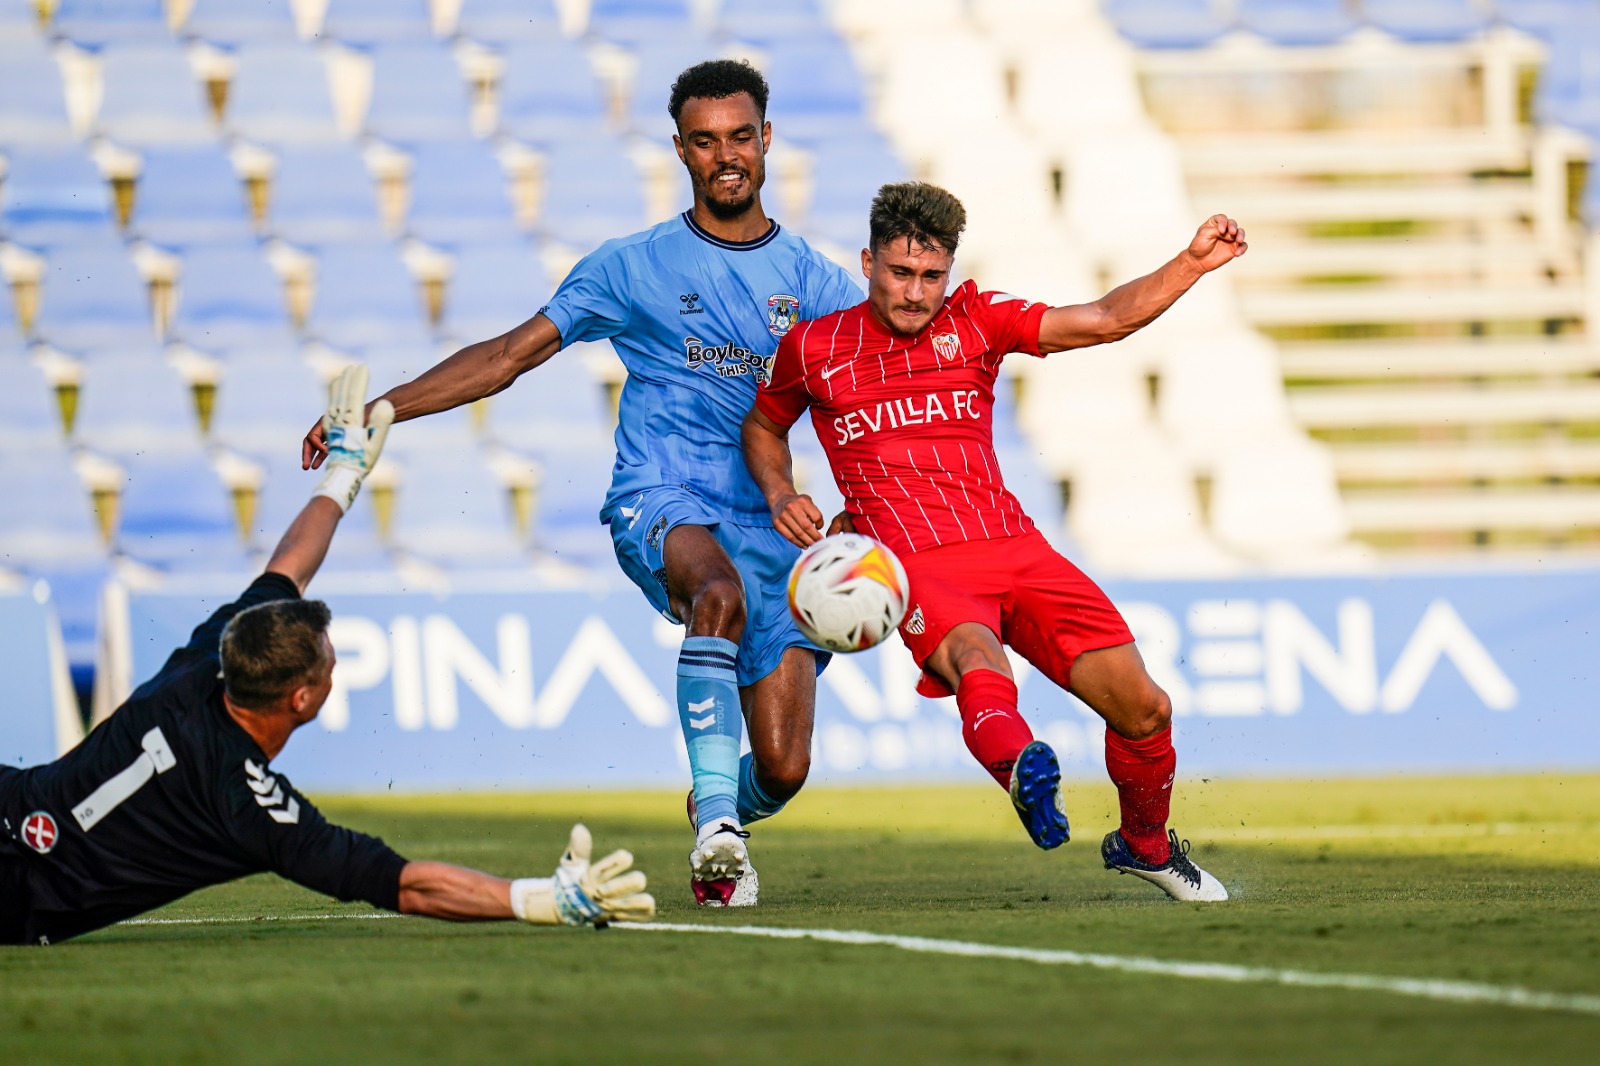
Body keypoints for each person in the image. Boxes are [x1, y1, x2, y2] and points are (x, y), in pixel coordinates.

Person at [301, 61, 863, 907]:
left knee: (784, 767)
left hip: (770, 527)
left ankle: (724, 805)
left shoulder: (818, 286)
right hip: (661, 496)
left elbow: (875, 397)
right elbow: (506, 357)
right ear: (679, 150)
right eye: (705, 142)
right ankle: (717, 831)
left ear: (767, 140)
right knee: (713, 593)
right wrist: (386, 406)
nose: (726, 157)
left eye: (740, 137)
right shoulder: (631, 266)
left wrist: (873, 518)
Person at [0, 367, 654, 945]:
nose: (335, 664)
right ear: (303, 697)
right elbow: (400, 884)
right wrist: (537, 900)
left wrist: (345, 474)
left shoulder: (205, 661)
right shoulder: (245, 807)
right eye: (330, 662)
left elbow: (289, 568)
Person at [743, 182, 1247, 902]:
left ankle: (1145, 846)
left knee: (1147, 710)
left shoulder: (976, 321)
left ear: (949, 273)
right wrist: (782, 493)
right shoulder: (814, 349)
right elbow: (763, 428)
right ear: (867, 262)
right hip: (915, 562)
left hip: (1015, 546)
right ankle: (1023, 772)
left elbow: (1103, 319)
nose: (916, 293)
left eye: (931, 276)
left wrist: (1190, 264)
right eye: (900, 273)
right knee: (980, 663)